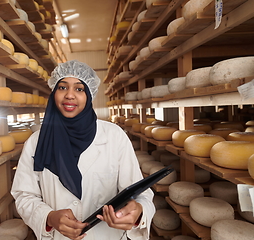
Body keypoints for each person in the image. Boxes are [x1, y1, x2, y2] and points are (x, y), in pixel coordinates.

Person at [11, 60, 155, 240]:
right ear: (53, 93)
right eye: (62, 87)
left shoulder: (114, 136)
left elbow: (140, 193)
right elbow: (24, 195)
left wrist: (138, 211)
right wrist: (49, 217)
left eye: (79, 89)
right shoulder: (36, 142)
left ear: (89, 95)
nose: (69, 95)